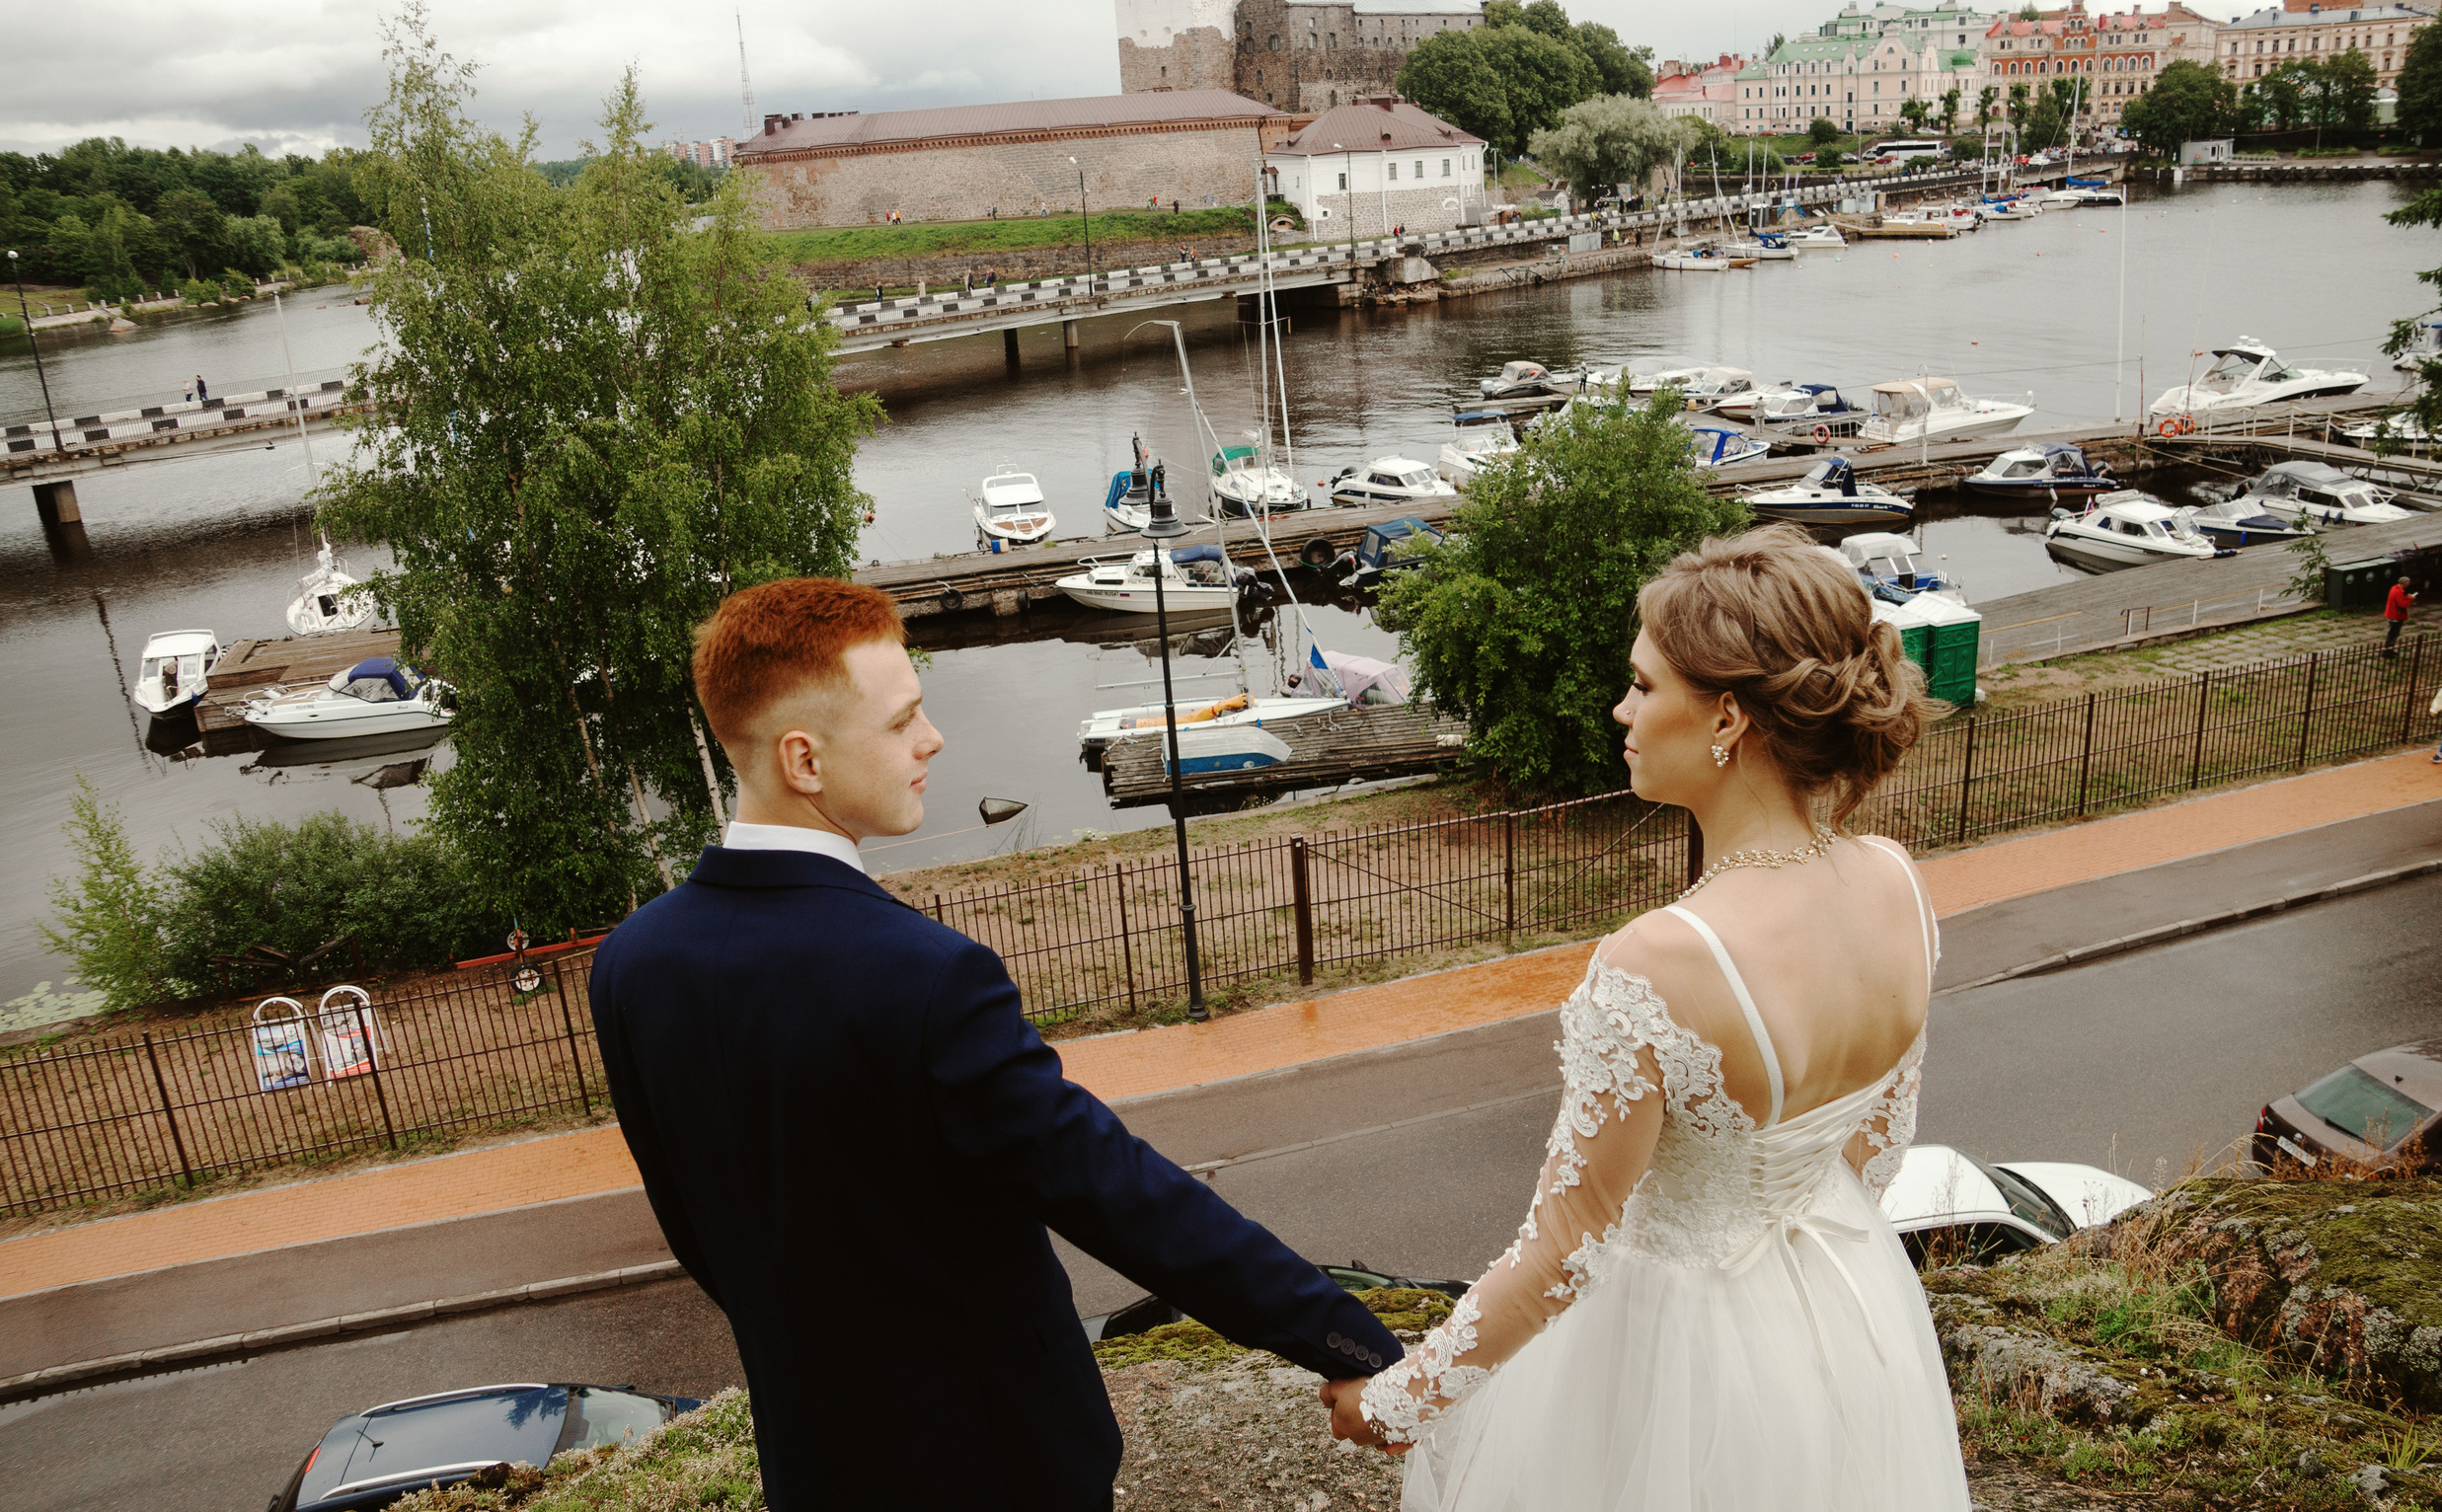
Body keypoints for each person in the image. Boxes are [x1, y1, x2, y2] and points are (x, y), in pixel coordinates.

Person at [589, 580, 1399, 1512]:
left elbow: (699, 1230)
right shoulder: (925, 976)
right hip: (999, 1469)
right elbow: (1118, 1193)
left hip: (813, 1469)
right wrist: (1354, 1344)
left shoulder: (629, 964)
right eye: (902, 721)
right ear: (804, 759)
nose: (931, 738)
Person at [1330, 524, 1968, 1509]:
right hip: (1847, 1325)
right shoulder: (1895, 880)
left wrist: (1395, 1402)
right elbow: (1874, 1150)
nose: (1621, 709)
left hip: (1677, 1359)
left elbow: (1563, 1246)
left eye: (1642, 685)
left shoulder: (1660, 962)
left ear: (1727, 717)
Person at [2382, 575, 2413, 657]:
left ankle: (2389, 650)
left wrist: (2406, 597)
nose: (2408, 585)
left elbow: (2399, 600)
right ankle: (2387, 652)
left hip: (2392, 614)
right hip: (2396, 616)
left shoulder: (2394, 588)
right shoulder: (2398, 592)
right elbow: (2403, 605)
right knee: (2392, 635)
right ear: (2405, 583)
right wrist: (2410, 599)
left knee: (2393, 634)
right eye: (2408, 583)